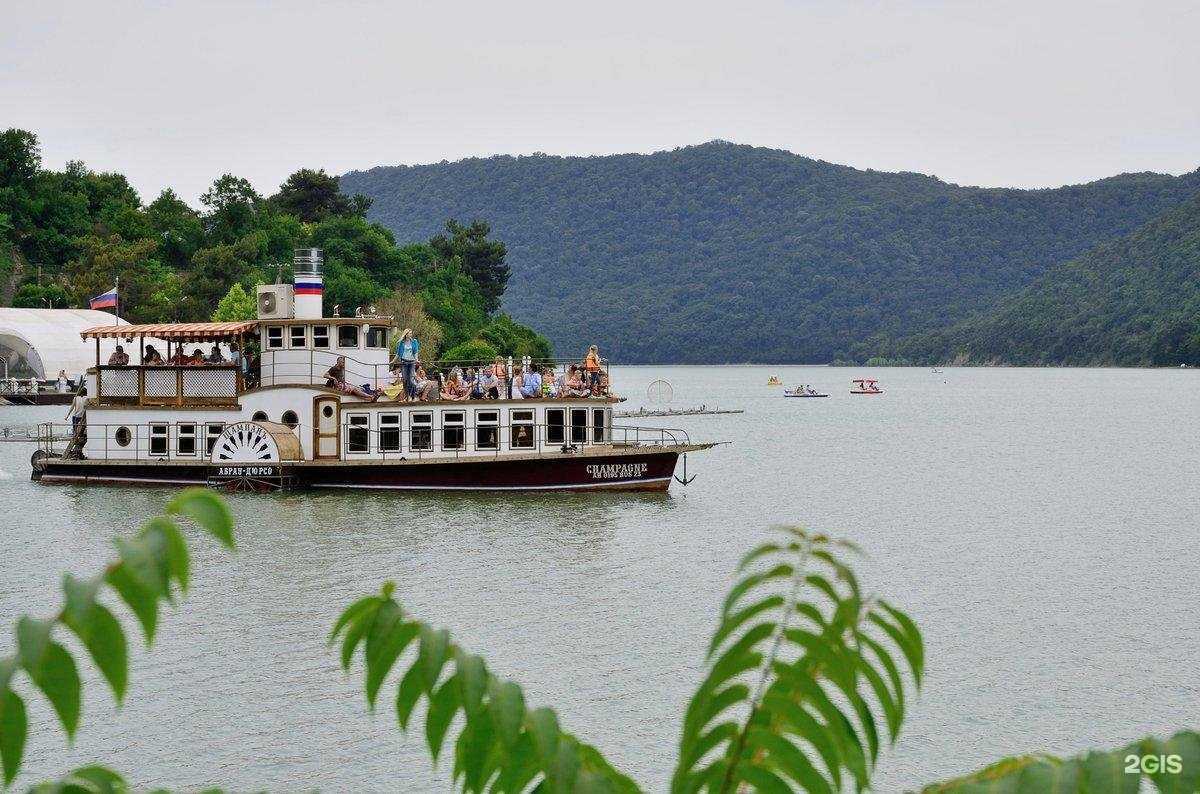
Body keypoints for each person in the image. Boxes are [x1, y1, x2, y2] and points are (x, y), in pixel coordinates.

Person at [394, 328, 420, 401]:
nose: (411, 335)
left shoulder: (414, 341)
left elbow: (416, 352)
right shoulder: (401, 343)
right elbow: (398, 354)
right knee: (405, 380)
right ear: (406, 334)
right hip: (404, 362)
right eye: (410, 333)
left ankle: (413, 396)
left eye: (411, 333)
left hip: (412, 362)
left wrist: (416, 360)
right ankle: (407, 396)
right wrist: (392, 361)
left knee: (411, 380)